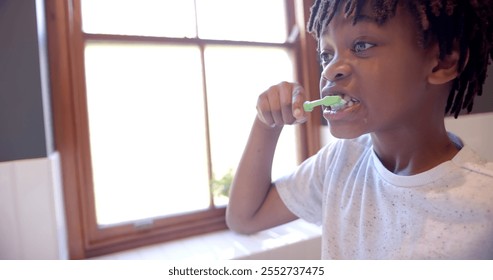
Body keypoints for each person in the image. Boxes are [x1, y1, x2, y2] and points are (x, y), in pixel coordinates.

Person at [226, 0, 493, 259]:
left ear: (442, 62)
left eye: (361, 45)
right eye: (326, 55)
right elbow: (244, 218)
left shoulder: (485, 201)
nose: (330, 71)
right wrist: (267, 123)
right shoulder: (339, 163)